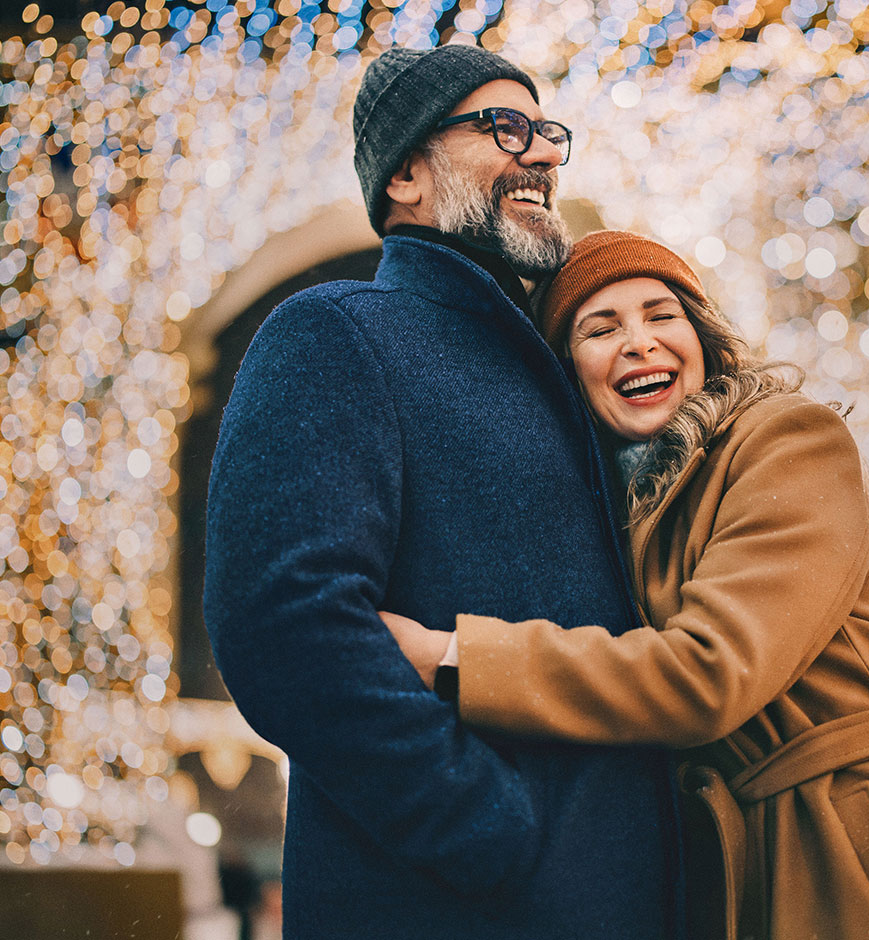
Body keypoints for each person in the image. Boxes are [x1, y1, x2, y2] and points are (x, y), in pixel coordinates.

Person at [385, 231, 869, 940]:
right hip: (752, 849)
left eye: (661, 314)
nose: (640, 343)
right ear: (568, 373)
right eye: (600, 328)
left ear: (702, 335)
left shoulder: (787, 441)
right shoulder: (619, 509)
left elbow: (708, 672)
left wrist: (452, 658)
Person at [202, 48, 677, 940]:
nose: (540, 153)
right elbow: (284, 625)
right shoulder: (336, 336)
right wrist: (489, 830)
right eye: (504, 128)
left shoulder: (565, 375)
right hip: (461, 908)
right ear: (407, 173)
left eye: (545, 132)